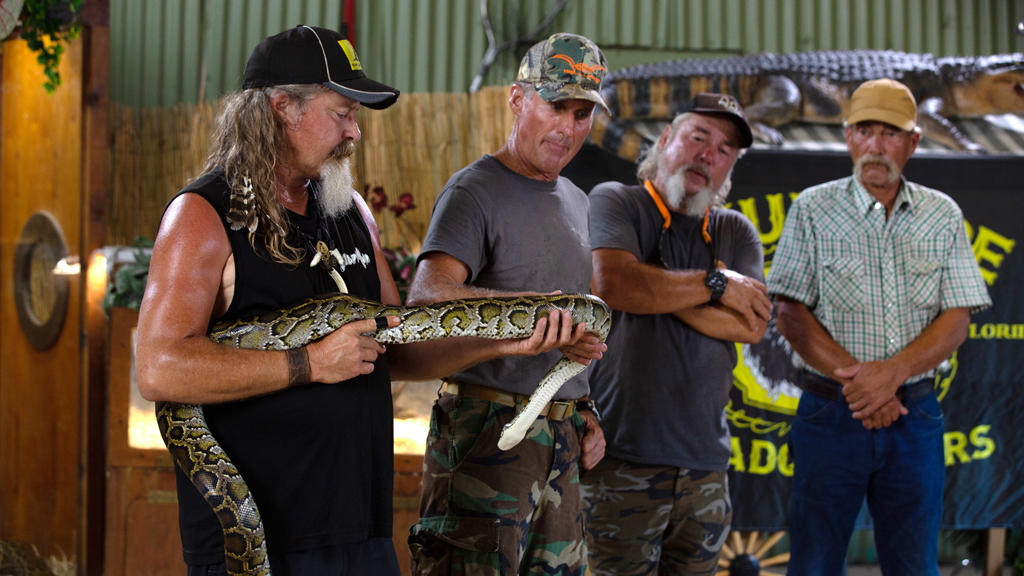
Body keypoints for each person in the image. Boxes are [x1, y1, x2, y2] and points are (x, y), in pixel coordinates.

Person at [136, 26, 581, 576]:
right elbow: (159, 366)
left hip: (362, 533)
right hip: (263, 546)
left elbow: (400, 345)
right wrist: (308, 363)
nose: (356, 131)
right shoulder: (203, 215)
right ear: (281, 109)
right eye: (341, 113)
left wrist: (507, 340)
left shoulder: (351, 213)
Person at [766, 79, 992, 575]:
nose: (875, 145)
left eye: (890, 134)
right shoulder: (812, 209)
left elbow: (957, 318)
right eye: (864, 131)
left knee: (915, 565)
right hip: (830, 413)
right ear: (848, 136)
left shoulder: (942, 214)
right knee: (814, 564)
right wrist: (866, 387)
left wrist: (892, 375)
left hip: (915, 416)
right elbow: (790, 313)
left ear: (913, 142)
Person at [405, 33, 610, 576]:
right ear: (517, 99)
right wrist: (531, 313)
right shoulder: (473, 191)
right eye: (556, 106)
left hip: (561, 436)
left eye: (582, 113)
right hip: (486, 428)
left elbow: (570, 331)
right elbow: (428, 298)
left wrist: (584, 407)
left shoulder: (577, 200)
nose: (568, 127)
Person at [580, 93, 773, 575]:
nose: (708, 155)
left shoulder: (736, 231)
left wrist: (659, 287)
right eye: (698, 137)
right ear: (665, 139)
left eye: (724, 150)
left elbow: (751, 326)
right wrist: (717, 285)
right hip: (620, 458)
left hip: (706, 468)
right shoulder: (617, 201)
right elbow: (614, 284)